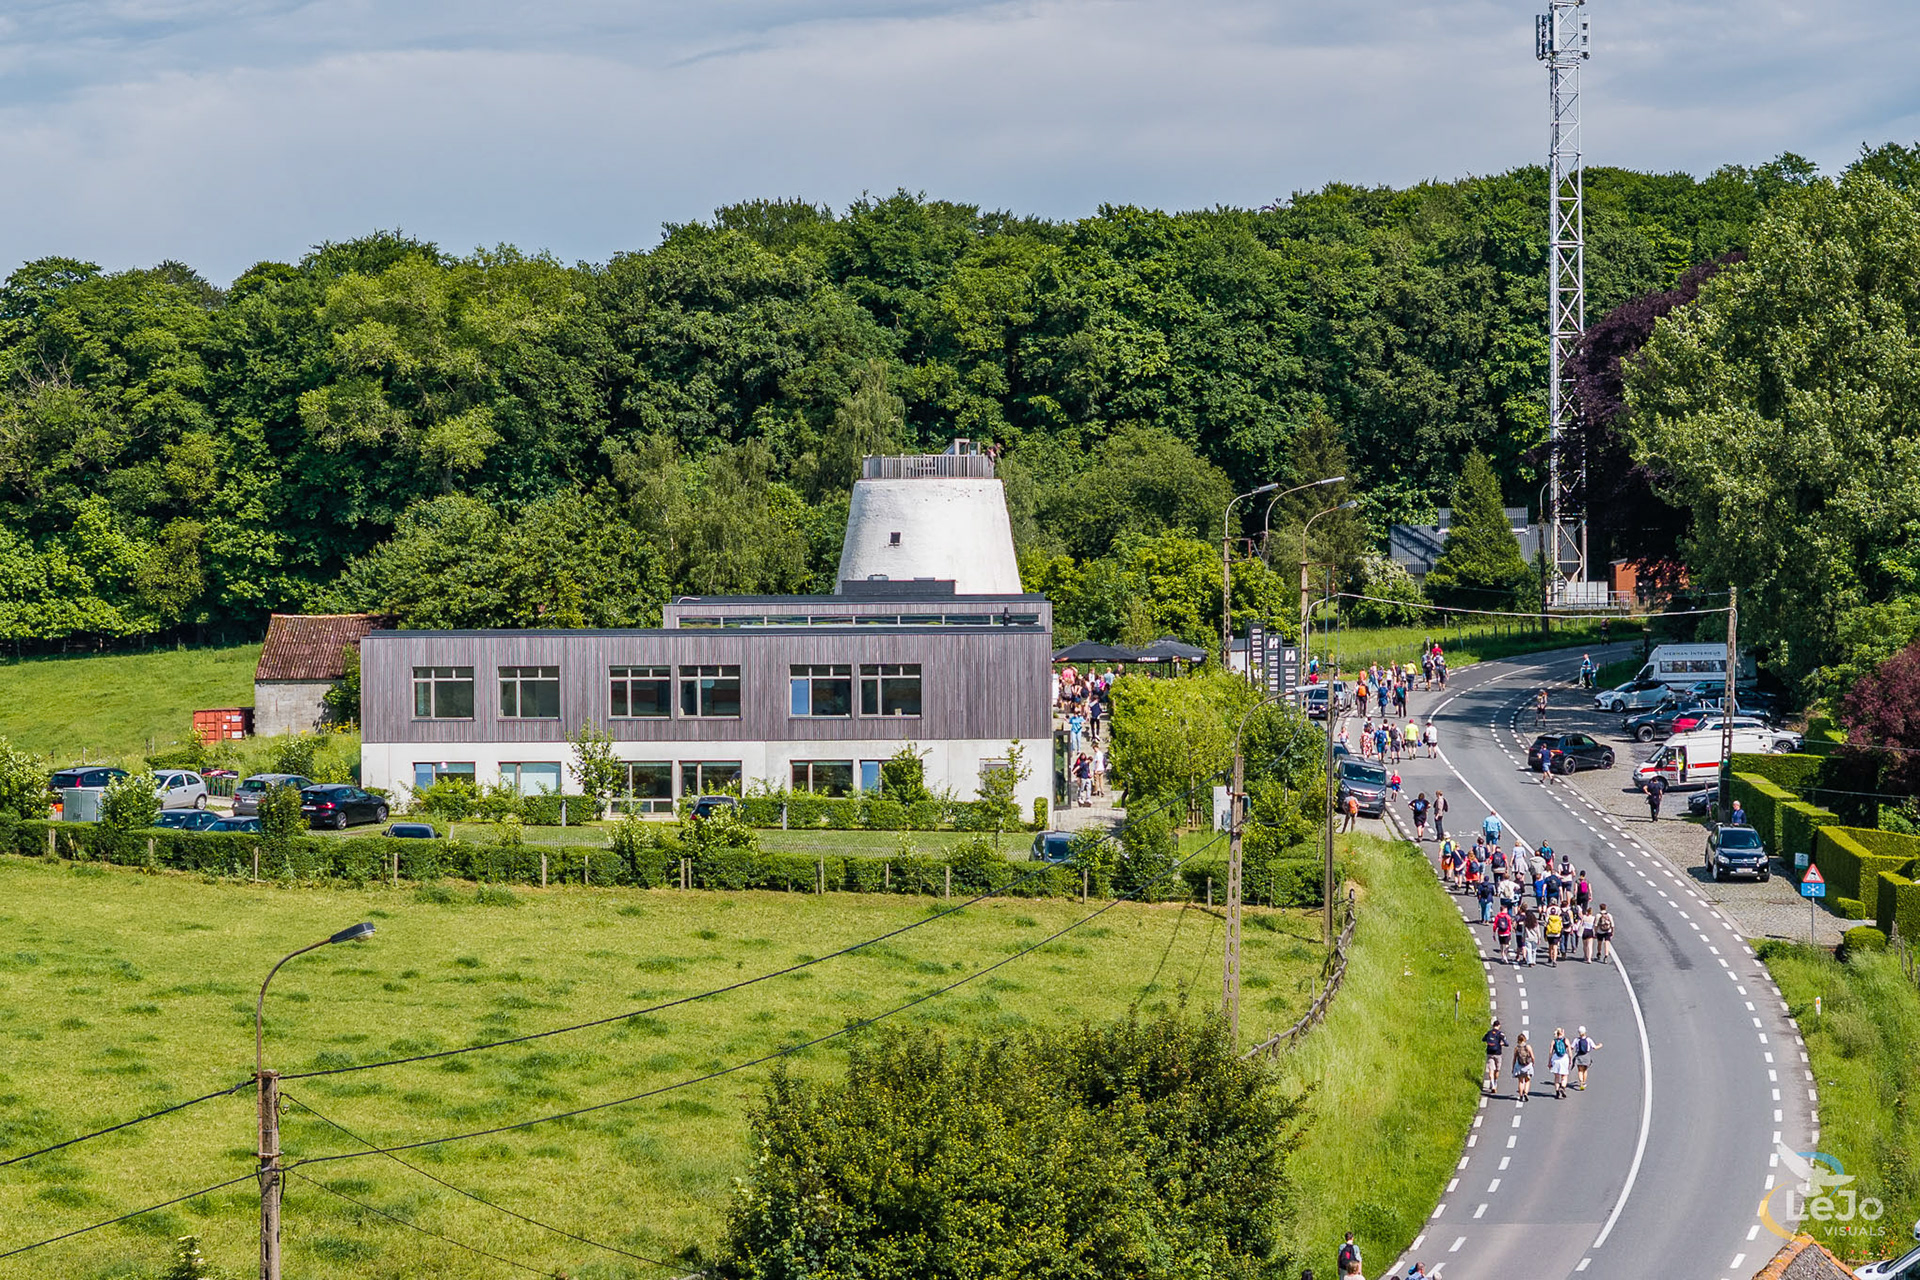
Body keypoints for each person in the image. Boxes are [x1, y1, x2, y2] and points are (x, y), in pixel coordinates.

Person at [1483, 1019, 1508, 1093]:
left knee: (1491, 1070)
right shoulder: (1500, 1034)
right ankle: (1495, 1082)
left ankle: (1492, 1085)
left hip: (1490, 1053)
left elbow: (1483, 1039)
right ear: (1499, 1026)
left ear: (1493, 1025)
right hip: (1498, 1054)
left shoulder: (1489, 1033)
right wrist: (1501, 1044)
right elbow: (1507, 1043)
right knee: (1497, 1069)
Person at [1549, 1028, 1573, 1099]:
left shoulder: (1553, 1041)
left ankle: (1557, 1092)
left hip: (1556, 1058)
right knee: (1564, 1076)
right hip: (1564, 1058)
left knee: (1556, 1077)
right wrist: (1570, 1060)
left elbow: (1550, 1052)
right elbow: (1569, 1052)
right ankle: (1562, 1087)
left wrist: (1549, 1061)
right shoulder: (1566, 1040)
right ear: (1562, 1033)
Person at [1512, 1032, 1535, 1102]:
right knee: (1527, 1080)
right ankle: (1526, 1093)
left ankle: (1521, 1095)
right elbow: (1532, 1057)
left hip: (1519, 1067)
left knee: (1521, 1081)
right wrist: (1533, 1063)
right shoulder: (1528, 1047)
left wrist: (1513, 1067)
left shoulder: (1516, 1048)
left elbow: (1514, 1059)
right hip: (1527, 1066)